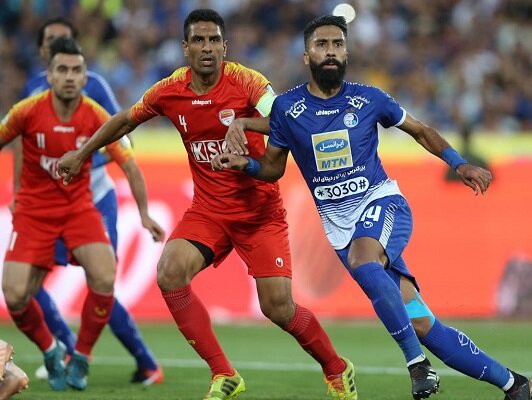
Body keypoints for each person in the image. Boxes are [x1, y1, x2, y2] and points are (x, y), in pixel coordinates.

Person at [211, 15, 532, 400]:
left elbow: (420, 130)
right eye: (321, 45)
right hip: (341, 229)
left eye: (337, 44)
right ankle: (514, 384)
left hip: (382, 204)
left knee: (364, 261)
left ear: (346, 52)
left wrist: (459, 163)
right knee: (422, 324)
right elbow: (272, 168)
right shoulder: (287, 109)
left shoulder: (370, 99)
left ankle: (417, 365)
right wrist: (245, 165)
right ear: (306, 55)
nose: (330, 52)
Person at [57, 9, 357, 400]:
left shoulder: (248, 82)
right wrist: (81, 154)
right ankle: (223, 374)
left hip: (259, 213)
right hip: (209, 211)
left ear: (224, 47)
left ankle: (336, 368)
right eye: (198, 40)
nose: (207, 47)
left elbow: (286, 120)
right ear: (186, 48)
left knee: (278, 308)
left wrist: (244, 123)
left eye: (214, 40)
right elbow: (125, 120)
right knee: (170, 272)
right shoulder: (170, 89)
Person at [12, 17, 164, 385]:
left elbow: (124, 138)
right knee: (26, 287)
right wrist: (18, 190)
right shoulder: (31, 95)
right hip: (43, 205)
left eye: (65, 40)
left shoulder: (94, 87)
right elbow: (19, 143)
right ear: (42, 53)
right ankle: (61, 348)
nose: (58, 46)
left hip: (92, 197)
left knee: (102, 279)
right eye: (51, 41)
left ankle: (142, 362)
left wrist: (81, 159)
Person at [1, 37, 128, 392]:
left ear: (85, 76)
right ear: (50, 75)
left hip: (78, 209)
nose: (69, 76)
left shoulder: (95, 114)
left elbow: (129, 160)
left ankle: (81, 357)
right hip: (33, 212)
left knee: (105, 276)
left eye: (76, 70)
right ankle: (51, 350)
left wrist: (146, 212)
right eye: (62, 69)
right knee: (14, 294)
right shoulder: (26, 110)